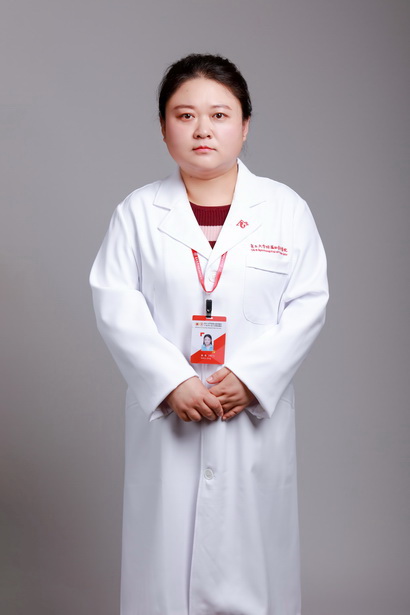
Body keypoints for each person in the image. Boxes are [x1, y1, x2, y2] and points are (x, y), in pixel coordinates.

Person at [90, 53, 328, 615]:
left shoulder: (285, 210)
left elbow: (308, 303)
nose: (203, 129)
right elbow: (115, 302)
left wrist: (251, 378)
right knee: (164, 569)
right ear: (163, 127)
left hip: (250, 417)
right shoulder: (137, 213)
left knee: (253, 563)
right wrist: (171, 381)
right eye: (185, 115)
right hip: (170, 417)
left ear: (245, 126)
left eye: (220, 115)